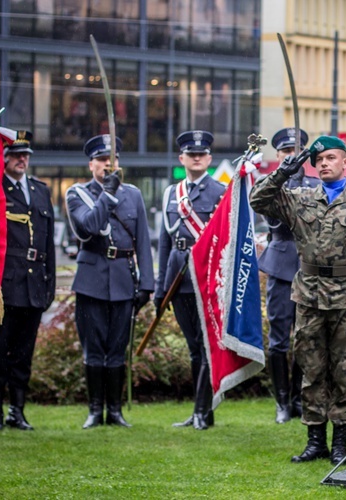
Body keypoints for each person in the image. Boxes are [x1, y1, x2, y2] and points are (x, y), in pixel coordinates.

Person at [250, 135, 346, 465]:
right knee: (312, 371)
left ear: (345, 161)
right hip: (310, 296)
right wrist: (281, 173)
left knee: (345, 371)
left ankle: (341, 444)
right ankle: (315, 442)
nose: (324, 163)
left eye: (331, 157)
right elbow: (258, 200)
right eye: (319, 160)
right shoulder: (301, 198)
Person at [66, 134, 154, 429]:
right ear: (91, 164)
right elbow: (88, 227)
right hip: (91, 279)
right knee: (93, 348)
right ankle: (94, 411)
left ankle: (114, 411)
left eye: (113, 159)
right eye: (102, 160)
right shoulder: (76, 194)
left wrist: (147, 285)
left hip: (123, 278)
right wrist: (108, 193)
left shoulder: (134, 194)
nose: (108, 164)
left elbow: (143, 241)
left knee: (117, 348)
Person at [0, 131, 55, 432]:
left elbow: (48, 241)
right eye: (15, 155)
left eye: (26, 155)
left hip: (33, 283)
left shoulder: (40, 191)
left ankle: (18, 410)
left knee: (24, 352)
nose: (22, 160)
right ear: (4, 158)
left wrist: (49, 282)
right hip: (5, 284)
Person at [155, 130, 225, 430]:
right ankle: (201, 411)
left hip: (207, 276)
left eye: (202, 154)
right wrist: (160, 288)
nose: (196, 158)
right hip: (179, 279)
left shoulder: (221, 193)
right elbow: (164, 242)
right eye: (190, 154)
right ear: (182, 158)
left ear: (209, 159)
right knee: (195, 347)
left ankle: (202, 411)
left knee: (207, 344)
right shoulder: (172, 193)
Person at [257, 127, 320, 424]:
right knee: (280, 339)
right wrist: (285, 179)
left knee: (305, 339)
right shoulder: (270, 185)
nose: (289, 156)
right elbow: (271, 221)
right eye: (284, 152)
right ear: (277, 156)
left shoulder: (315, 185)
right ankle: (282, 402)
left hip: (309, 267)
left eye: (294, 151)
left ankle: (299, 399)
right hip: (282, 267)